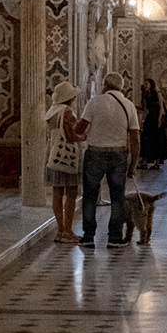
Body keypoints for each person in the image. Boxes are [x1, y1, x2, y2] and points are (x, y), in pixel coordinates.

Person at [78, 72, 141, 249]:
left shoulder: (94, 102)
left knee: (90, 196)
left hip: (95, 153)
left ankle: (89, 236)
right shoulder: (128, 105)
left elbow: (81, 127)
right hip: (118, 155)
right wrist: (133, 165)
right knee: (117, 197)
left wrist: (77, 129)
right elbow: (135, 138)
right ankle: (114, 237)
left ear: (105, 84)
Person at [44, 82, 86, 243]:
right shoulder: (67, 111)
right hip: (67, 157)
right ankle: (67, 231)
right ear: (69, 98)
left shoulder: (52, 111)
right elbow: (72, 135)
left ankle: (60, 230)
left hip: (53, 155)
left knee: (57, 193)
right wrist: (83, 137)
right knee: (71, 193)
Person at [139, 78, 167, 170]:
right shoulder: (145, 95)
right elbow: (145, 109)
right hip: (150, 118)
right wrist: (142, 121)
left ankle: (157, 163)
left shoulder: (157, 93)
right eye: (144, 84)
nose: (145, 85)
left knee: (157, 140)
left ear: (151, 84)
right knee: (146, 140)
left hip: (157, 117)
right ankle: (144, 162)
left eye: (147, 84)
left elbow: (161, 108)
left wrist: (159, 120)